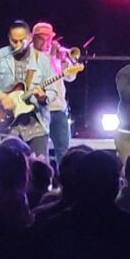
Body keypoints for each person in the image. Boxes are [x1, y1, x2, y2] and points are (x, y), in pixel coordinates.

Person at [0, 20, 57, 157]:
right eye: (14, 41)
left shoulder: (42, 60)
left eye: (22, 40)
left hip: (36, 127)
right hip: (8, 126)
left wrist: (43, 97)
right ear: (9, 38)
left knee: (38, 167)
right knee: (9, 168)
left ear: (30, 38)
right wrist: (2, 97)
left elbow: (53, 91)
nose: (18, 45)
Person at [31, 22, 81, 166]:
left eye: (48, 38)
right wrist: (52, 56)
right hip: (38, 110)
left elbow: (70, 77)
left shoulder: (56, 57)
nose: (46, 42)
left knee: (63, 152)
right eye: (42, 38)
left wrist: (64, 60)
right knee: (39, 154)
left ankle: (64, 179)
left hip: (58, 109)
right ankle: (41, 180)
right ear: (33, 38)